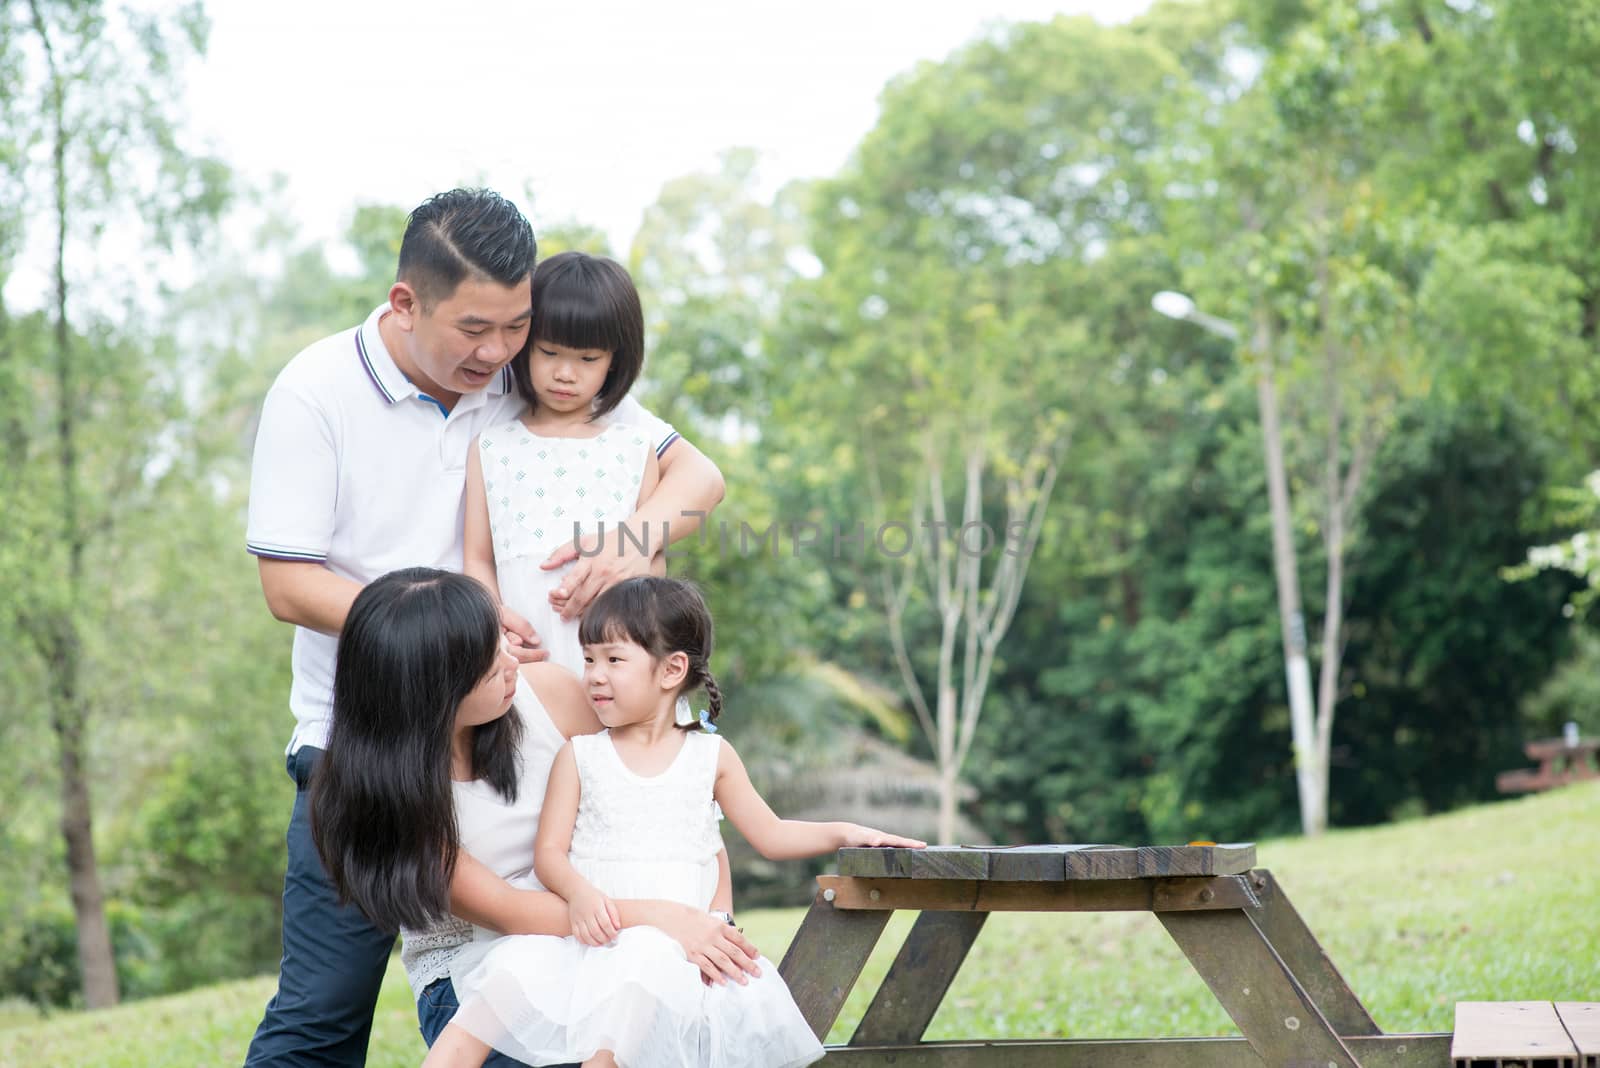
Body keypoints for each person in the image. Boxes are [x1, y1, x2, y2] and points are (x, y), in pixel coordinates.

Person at [244, 188, 727, 1066]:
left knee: (585, 978)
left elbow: (694, 477)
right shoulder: (316, 393)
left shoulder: (525, 377)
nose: (500, 353)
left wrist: (630, 541)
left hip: (533, 718)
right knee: (323, 1014)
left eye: (517, 328)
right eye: (477, 329)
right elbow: (287, 583)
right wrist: (450, 629)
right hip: (369, 743)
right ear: (406, 303)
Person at [426, 577, 926, 1068]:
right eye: (589, 660)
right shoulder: (580, 756)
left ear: (671, 671)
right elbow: (550, 853)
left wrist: (845, 832)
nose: (594, 676)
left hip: (667, 945)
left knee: (630, 1005)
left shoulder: (712, 756)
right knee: (499, 991)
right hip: (590, 935)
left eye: (614, 661)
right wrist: (578, 893)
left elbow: (770, 834)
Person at [308, 569, 761, 1068]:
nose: (512, 662)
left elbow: (670, 807)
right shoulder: (388, 797)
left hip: (610, 938)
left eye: (501, 641)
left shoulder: (547, 692)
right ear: (436, 692)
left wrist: (712, 920)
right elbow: (511, 913)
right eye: (489, 663)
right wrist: (668, 919)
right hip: (481, 965)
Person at [465, 251, 658, 675]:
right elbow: (478, 557)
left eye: (588, 359)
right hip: (524, 657)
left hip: (616, 663)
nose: (565, 374)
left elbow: (653, 567)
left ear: (615, 360)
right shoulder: (490, 446)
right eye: (549, 352)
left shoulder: (635, 447)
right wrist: (493, 619)